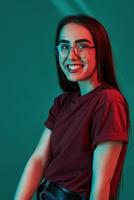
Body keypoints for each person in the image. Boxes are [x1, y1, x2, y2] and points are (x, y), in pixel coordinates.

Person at [14, 14, 130, 200]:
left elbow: (102, 182)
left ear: (99, 51)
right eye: (65, 46)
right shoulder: (62, 102)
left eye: (82, 46)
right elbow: (39, 160)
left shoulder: (109, 101)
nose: (71, 55)